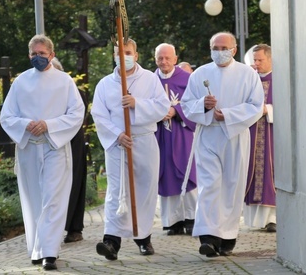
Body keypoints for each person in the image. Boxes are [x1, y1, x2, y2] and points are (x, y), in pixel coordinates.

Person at [0, 34, 85, 271]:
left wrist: (49, 125)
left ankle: (50, 252)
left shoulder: (65, 81)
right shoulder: (20, 82)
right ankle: (37, 249)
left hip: (54, 147)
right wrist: (25, 124)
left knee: (53, 199)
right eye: (34, 54)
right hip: (29, 148)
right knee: (33, 200)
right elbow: (6, 116)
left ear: (52, 54)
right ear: (29, 55)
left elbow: (76, 114)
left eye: (42, 53)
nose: (37, 57)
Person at [181, 31, 264, 257]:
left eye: (224, 48)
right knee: (209, 184)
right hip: (208, 134)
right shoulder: (200, 74)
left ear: (234, 49)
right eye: (215, 48)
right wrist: (204, 105)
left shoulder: (248, 74)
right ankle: (208, 236)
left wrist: (226, 114)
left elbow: (256, 106)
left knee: (231, 184)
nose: (219, 52)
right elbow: (186, 104)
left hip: (235, 135)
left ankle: (227, 235)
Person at [91, 38, 170, 260]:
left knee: (145, 188)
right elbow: (99, 114)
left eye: (127, 52)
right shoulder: (105, 84)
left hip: (143, 140)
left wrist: (137, 104)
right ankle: (111, 241)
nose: (122, 56)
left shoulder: (150, 80)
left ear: (136, 55)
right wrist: (117, 134)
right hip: (117, 143)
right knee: (116, 190)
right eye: (118, 53)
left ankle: (143, 237)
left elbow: (163, 106)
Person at [154, 43, 197, 236]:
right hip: (159, 135)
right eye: (160, 58)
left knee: (186, 173)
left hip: (182, 134)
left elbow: (195, 104)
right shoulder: (150, 80)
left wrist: (176, 110)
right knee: (165, 174)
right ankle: (172, 221)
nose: (164, 61)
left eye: (167, 58)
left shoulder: (188, 79)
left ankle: (192, 218)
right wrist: (156, 113)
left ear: (175, 59)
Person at [50, 57, 89, 243]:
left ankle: (74, 227)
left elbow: (78, 116)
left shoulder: (74, 91)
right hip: (49, 143)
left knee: (74, 183)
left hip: (72, 142)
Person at [243, 44, 276, 232]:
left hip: (272, 134)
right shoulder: (249, 81)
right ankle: (256, 220)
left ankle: (273, 219)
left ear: (270, 59)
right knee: (253, 172)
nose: (256, 64)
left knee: (271, 172)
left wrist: (267, 109)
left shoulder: (280, 79)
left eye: (260, 60)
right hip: (252, 133)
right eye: (254, 60)